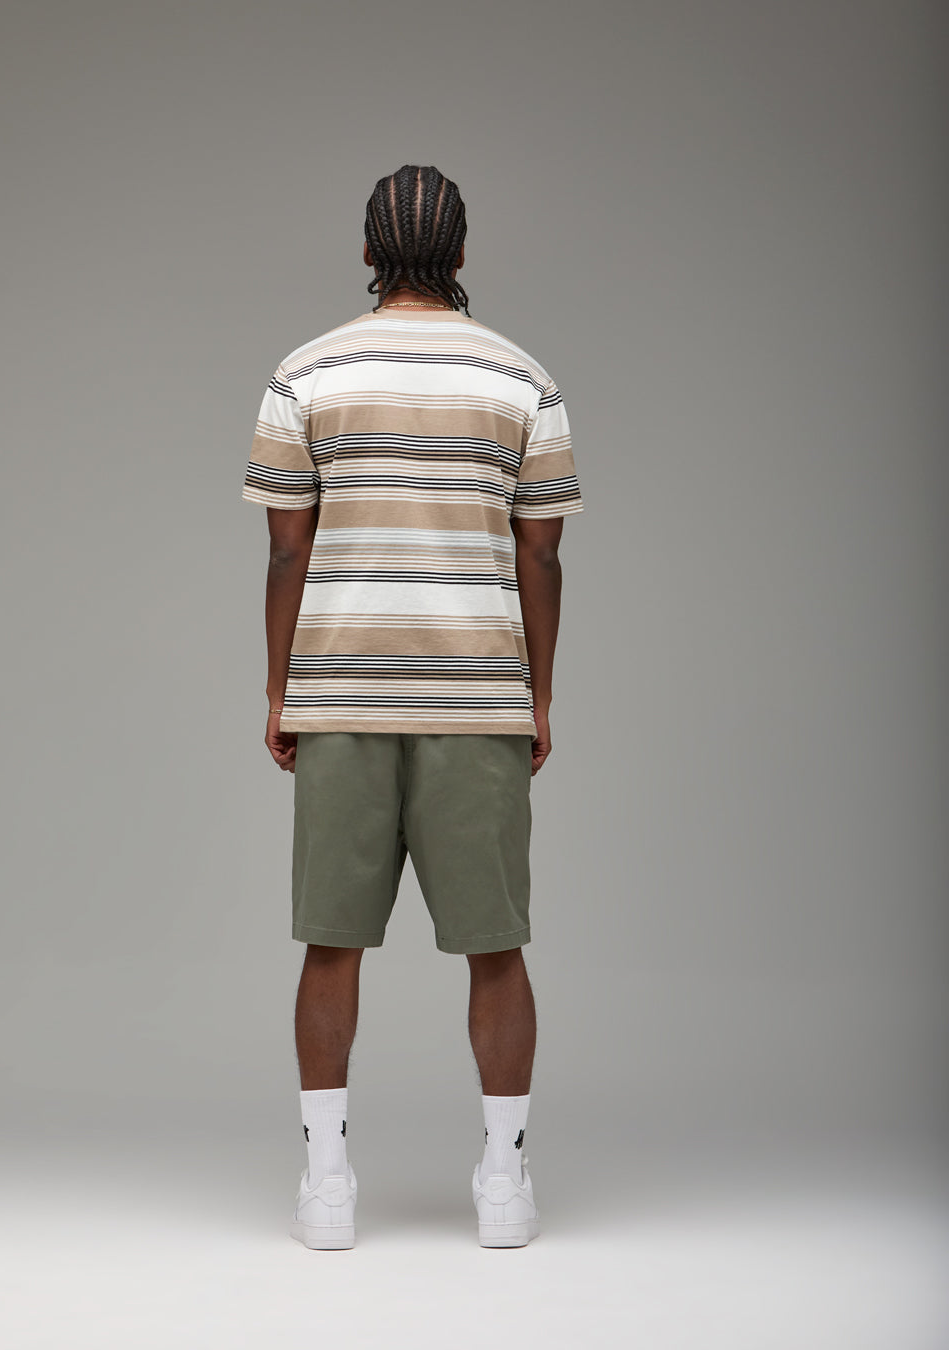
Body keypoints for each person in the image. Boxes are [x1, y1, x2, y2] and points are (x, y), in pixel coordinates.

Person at [241, 164, 584, 1250]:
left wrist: (280, 687)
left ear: (366, 252)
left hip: (340, 691)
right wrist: (538, 696)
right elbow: (542, 556)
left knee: (330, 944)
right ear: (463, 254)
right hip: (479, 695)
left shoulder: (306, 373)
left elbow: (286, 550)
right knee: (497, 946)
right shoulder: (523, 380)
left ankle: (327, 1185)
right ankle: (504, 1183)